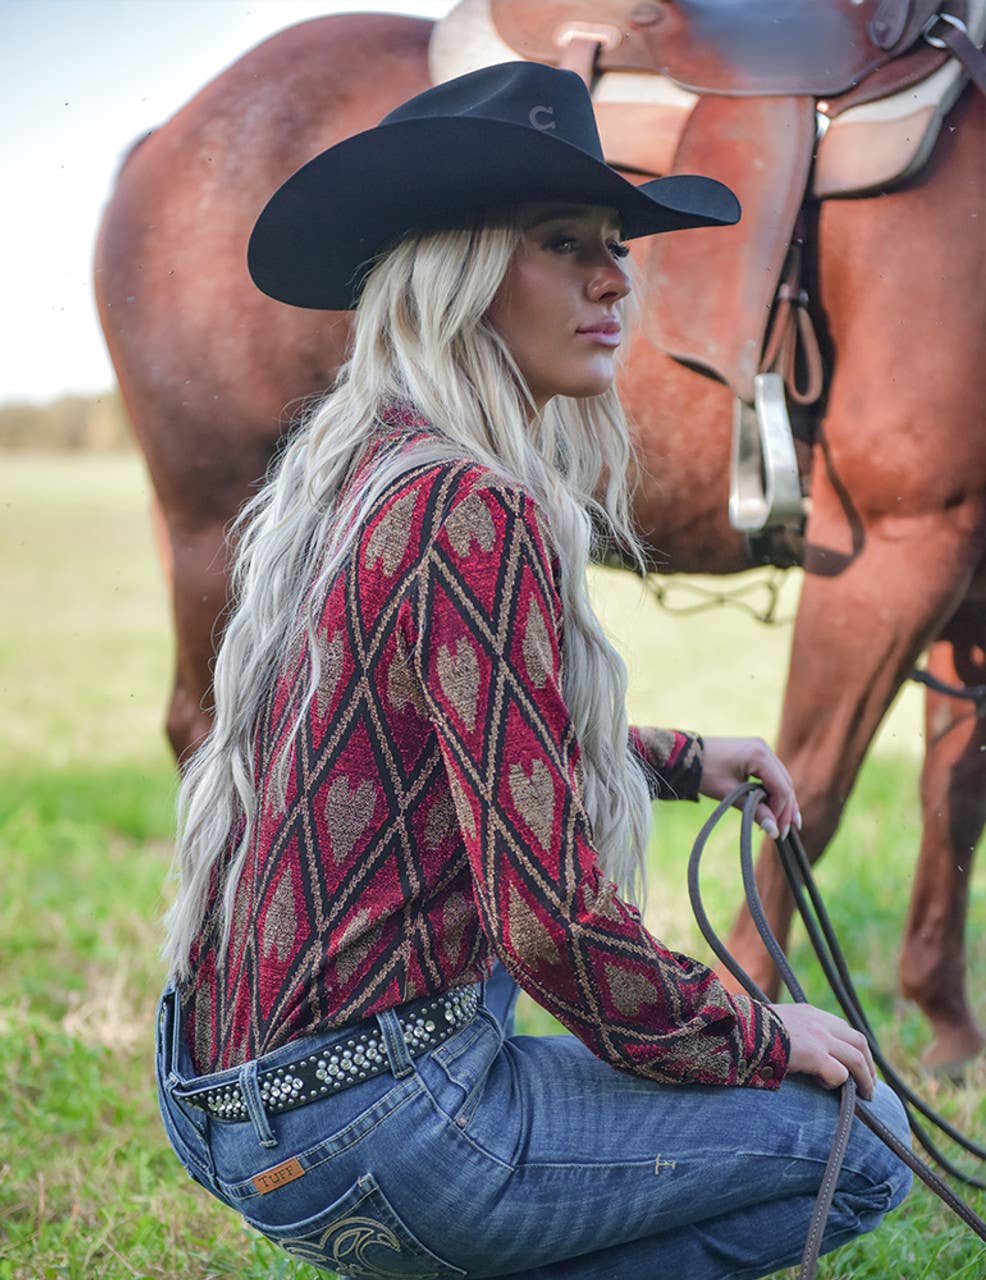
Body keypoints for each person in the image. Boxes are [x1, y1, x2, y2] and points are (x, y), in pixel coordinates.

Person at [155, 61, 911, 1280]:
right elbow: (555, 929)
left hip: (238, 1102)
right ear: (458, 271)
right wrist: (757, 1030)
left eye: (615, 246)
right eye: (567, 245)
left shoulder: (366, 469)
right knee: (860, 1138)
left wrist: (673, 758)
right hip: (375, 1120)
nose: (617, 279)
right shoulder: (471, 506)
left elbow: (442, 742)